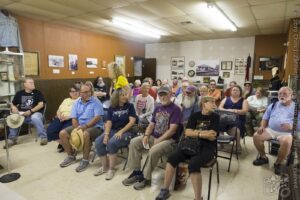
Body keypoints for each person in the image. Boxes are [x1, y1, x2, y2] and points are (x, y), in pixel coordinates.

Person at [155, 96, 219, 200]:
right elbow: (187, 132)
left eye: (214, 102)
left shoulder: (215, 117)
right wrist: (202, 134)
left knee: (193, 164)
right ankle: (165, 189)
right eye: (211, 102)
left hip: (207, 147)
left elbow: (212, 135)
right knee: (172, 159)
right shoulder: (195, 116)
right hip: (190, 144)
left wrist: (195, 133)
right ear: (204, 103)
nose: (214, 104)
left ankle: (198, 198)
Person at [122, 85, 182, 190]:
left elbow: (172, 130)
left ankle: (146, 177)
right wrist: (146, 135)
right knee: (134, 142)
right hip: (154, 137)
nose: (163, 97)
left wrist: (158, 140)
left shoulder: (176, 109)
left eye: (165, 94)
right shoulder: (158, 108)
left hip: (169, 141)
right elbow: (151, 124)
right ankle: (136, 172)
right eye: (161, 95)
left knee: (153, 150)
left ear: (171, 95)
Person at [59, 83, 104, 172]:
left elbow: (97, 117)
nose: (88, 94)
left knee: (86, 134)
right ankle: (71, 156)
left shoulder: (96, 101)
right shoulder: (76, 103)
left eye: (89, 92)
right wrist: (77, 130)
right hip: (80, 125)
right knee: (62, 133)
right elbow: (74, 118)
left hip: (95, 127)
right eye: (85, 92)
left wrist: (86, 126)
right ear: (80, 93)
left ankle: (85, 160)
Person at [94, 88, 137, 180]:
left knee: (112, 143)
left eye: (125, 95)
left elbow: (132, 122)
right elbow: (109, 122)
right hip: (113, 130)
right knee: (98, 141)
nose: (125, 97)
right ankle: (105, 167)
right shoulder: (112, 108)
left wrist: (121, 132)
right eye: (123, 95)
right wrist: (106, 135)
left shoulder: (130, 106)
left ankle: (111, 169)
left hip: (127, 131)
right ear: (117, 97)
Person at [252, 87, 294, 175]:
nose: (282, 95)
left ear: (291, 95)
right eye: (280, 94)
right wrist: (262, 126)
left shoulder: (296, 107)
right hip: (271, 130)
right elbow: (265, 118)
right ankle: (263, 157)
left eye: (284, 94)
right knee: (256, 136)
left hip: (286, 133)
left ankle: (278, 163)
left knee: (286, 142)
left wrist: (290, 126)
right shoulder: (274, 105)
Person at [5, 77, 47, 148]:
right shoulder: (19, 93)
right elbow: (13, 103)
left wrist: (30, 111)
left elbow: (41, 104)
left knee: (35, 117)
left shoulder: (38, 93)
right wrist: (14, 108)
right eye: (30, 83)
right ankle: (12, 139)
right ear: (25, 84)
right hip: (22, 115)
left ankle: (43, 137)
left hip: (35, 113)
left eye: (33, 82)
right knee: (13, 117)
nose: (33, 84)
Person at [47, 84, 80, 151]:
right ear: (69, 93)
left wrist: (68, 117)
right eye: (72, 91)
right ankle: (64, 145)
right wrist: (59, 116)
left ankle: (68, 147)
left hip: (72, 119)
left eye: (76, 91)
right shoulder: (66, 100)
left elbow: (81, 113)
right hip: (61, 118)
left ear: (79, 91)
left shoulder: (80, 100)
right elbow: (59, 110)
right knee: (50, 130)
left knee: (63, 132)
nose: (74, 93)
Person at [218, 85, 249, 151]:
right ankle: (221, 144)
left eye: (237, 90)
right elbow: (220, 108)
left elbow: (245, 111)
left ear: (240, 92)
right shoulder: (226, 99)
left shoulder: (244, 100)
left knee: (236, 129)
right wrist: (228, 110)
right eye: (233, 90)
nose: (235, 91)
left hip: (238, 119)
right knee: (219, 123)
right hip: (226, 118)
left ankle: (238, 145)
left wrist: (235, 111)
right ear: (231, 92)